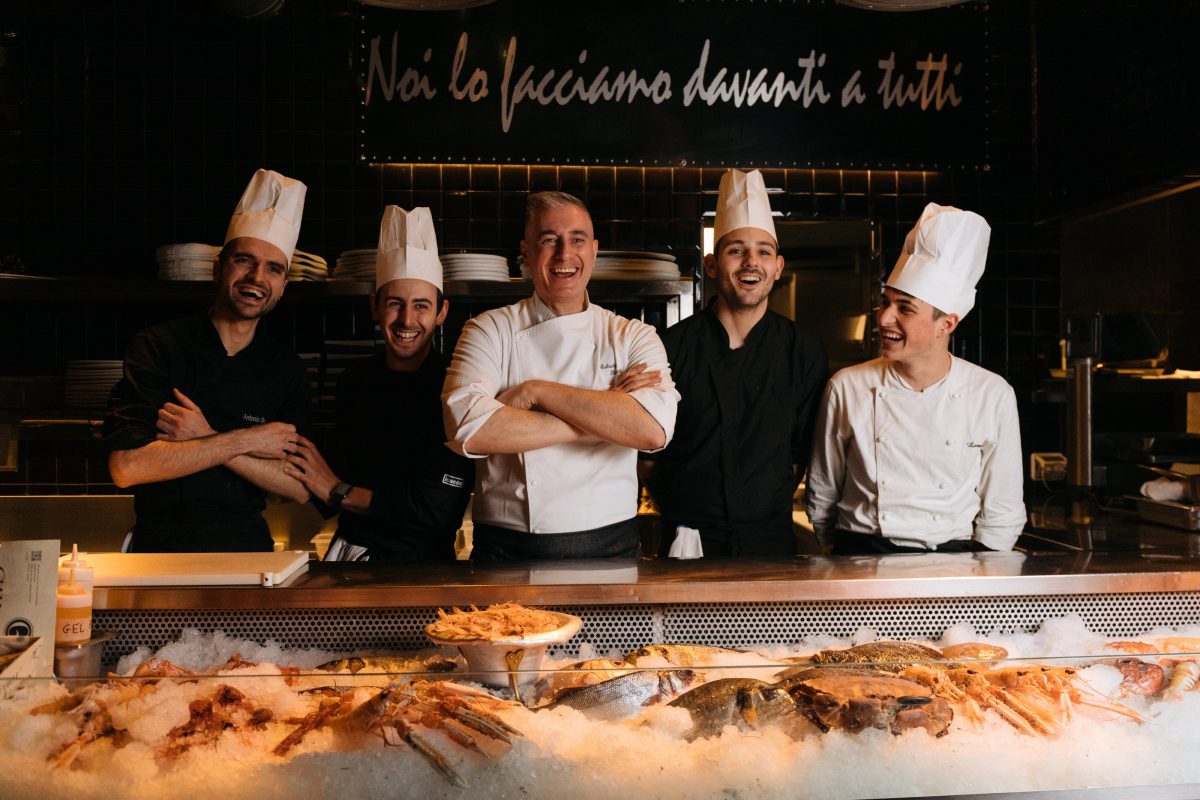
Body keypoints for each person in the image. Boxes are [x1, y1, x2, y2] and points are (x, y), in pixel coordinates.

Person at [441, 190, 679, 560]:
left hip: (611, 547)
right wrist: (607, 415)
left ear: (594, 251)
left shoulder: (633, 335)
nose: (564, 254)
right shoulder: (489, 330)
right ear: (526, 252)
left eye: (577, 240)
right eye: (549, 240)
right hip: (506, 548)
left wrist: (537, 391)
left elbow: (652, 429)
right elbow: (466, 428)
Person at [103, 169, 311, 552]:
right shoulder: (159, 346)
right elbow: (127, 467)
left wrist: (202, 435)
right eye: (244, 260)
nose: (256, 277)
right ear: (218, 267)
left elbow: (297, 487)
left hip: (248, 551)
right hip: (158, 550)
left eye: (273, 268)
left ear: (283, 286)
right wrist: (248, 440)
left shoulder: (287, 369)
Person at [805, 202, 1026, 554]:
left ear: (946, 324)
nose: (884, 318)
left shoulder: (991, 393)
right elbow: (823, 488)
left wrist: (981, 573)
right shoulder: (847, 387)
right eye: (885, 302)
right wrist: (840, 556)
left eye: (905, 308)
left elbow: (1002, 509)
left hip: (954, 564)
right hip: (860, 555)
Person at [641, 169, 828, 557]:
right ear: (712, 265)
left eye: (764, 251)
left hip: (771, 544)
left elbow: (800, 455)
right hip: (687, 544)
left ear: (778, 267)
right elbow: (646, 456)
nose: (751, 262)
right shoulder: (669, 347)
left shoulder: (803, 350)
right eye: (736, 251)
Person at [282, 206, 472, 561]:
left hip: (423, 568)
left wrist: (339, 491)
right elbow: (327, 477)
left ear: (442, 313)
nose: (406, 320)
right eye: (395, 304)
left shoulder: (456, 389)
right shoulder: (352, 382)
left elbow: (435, 510)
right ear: (374, 307)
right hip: (349, 559)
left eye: (421, 306)